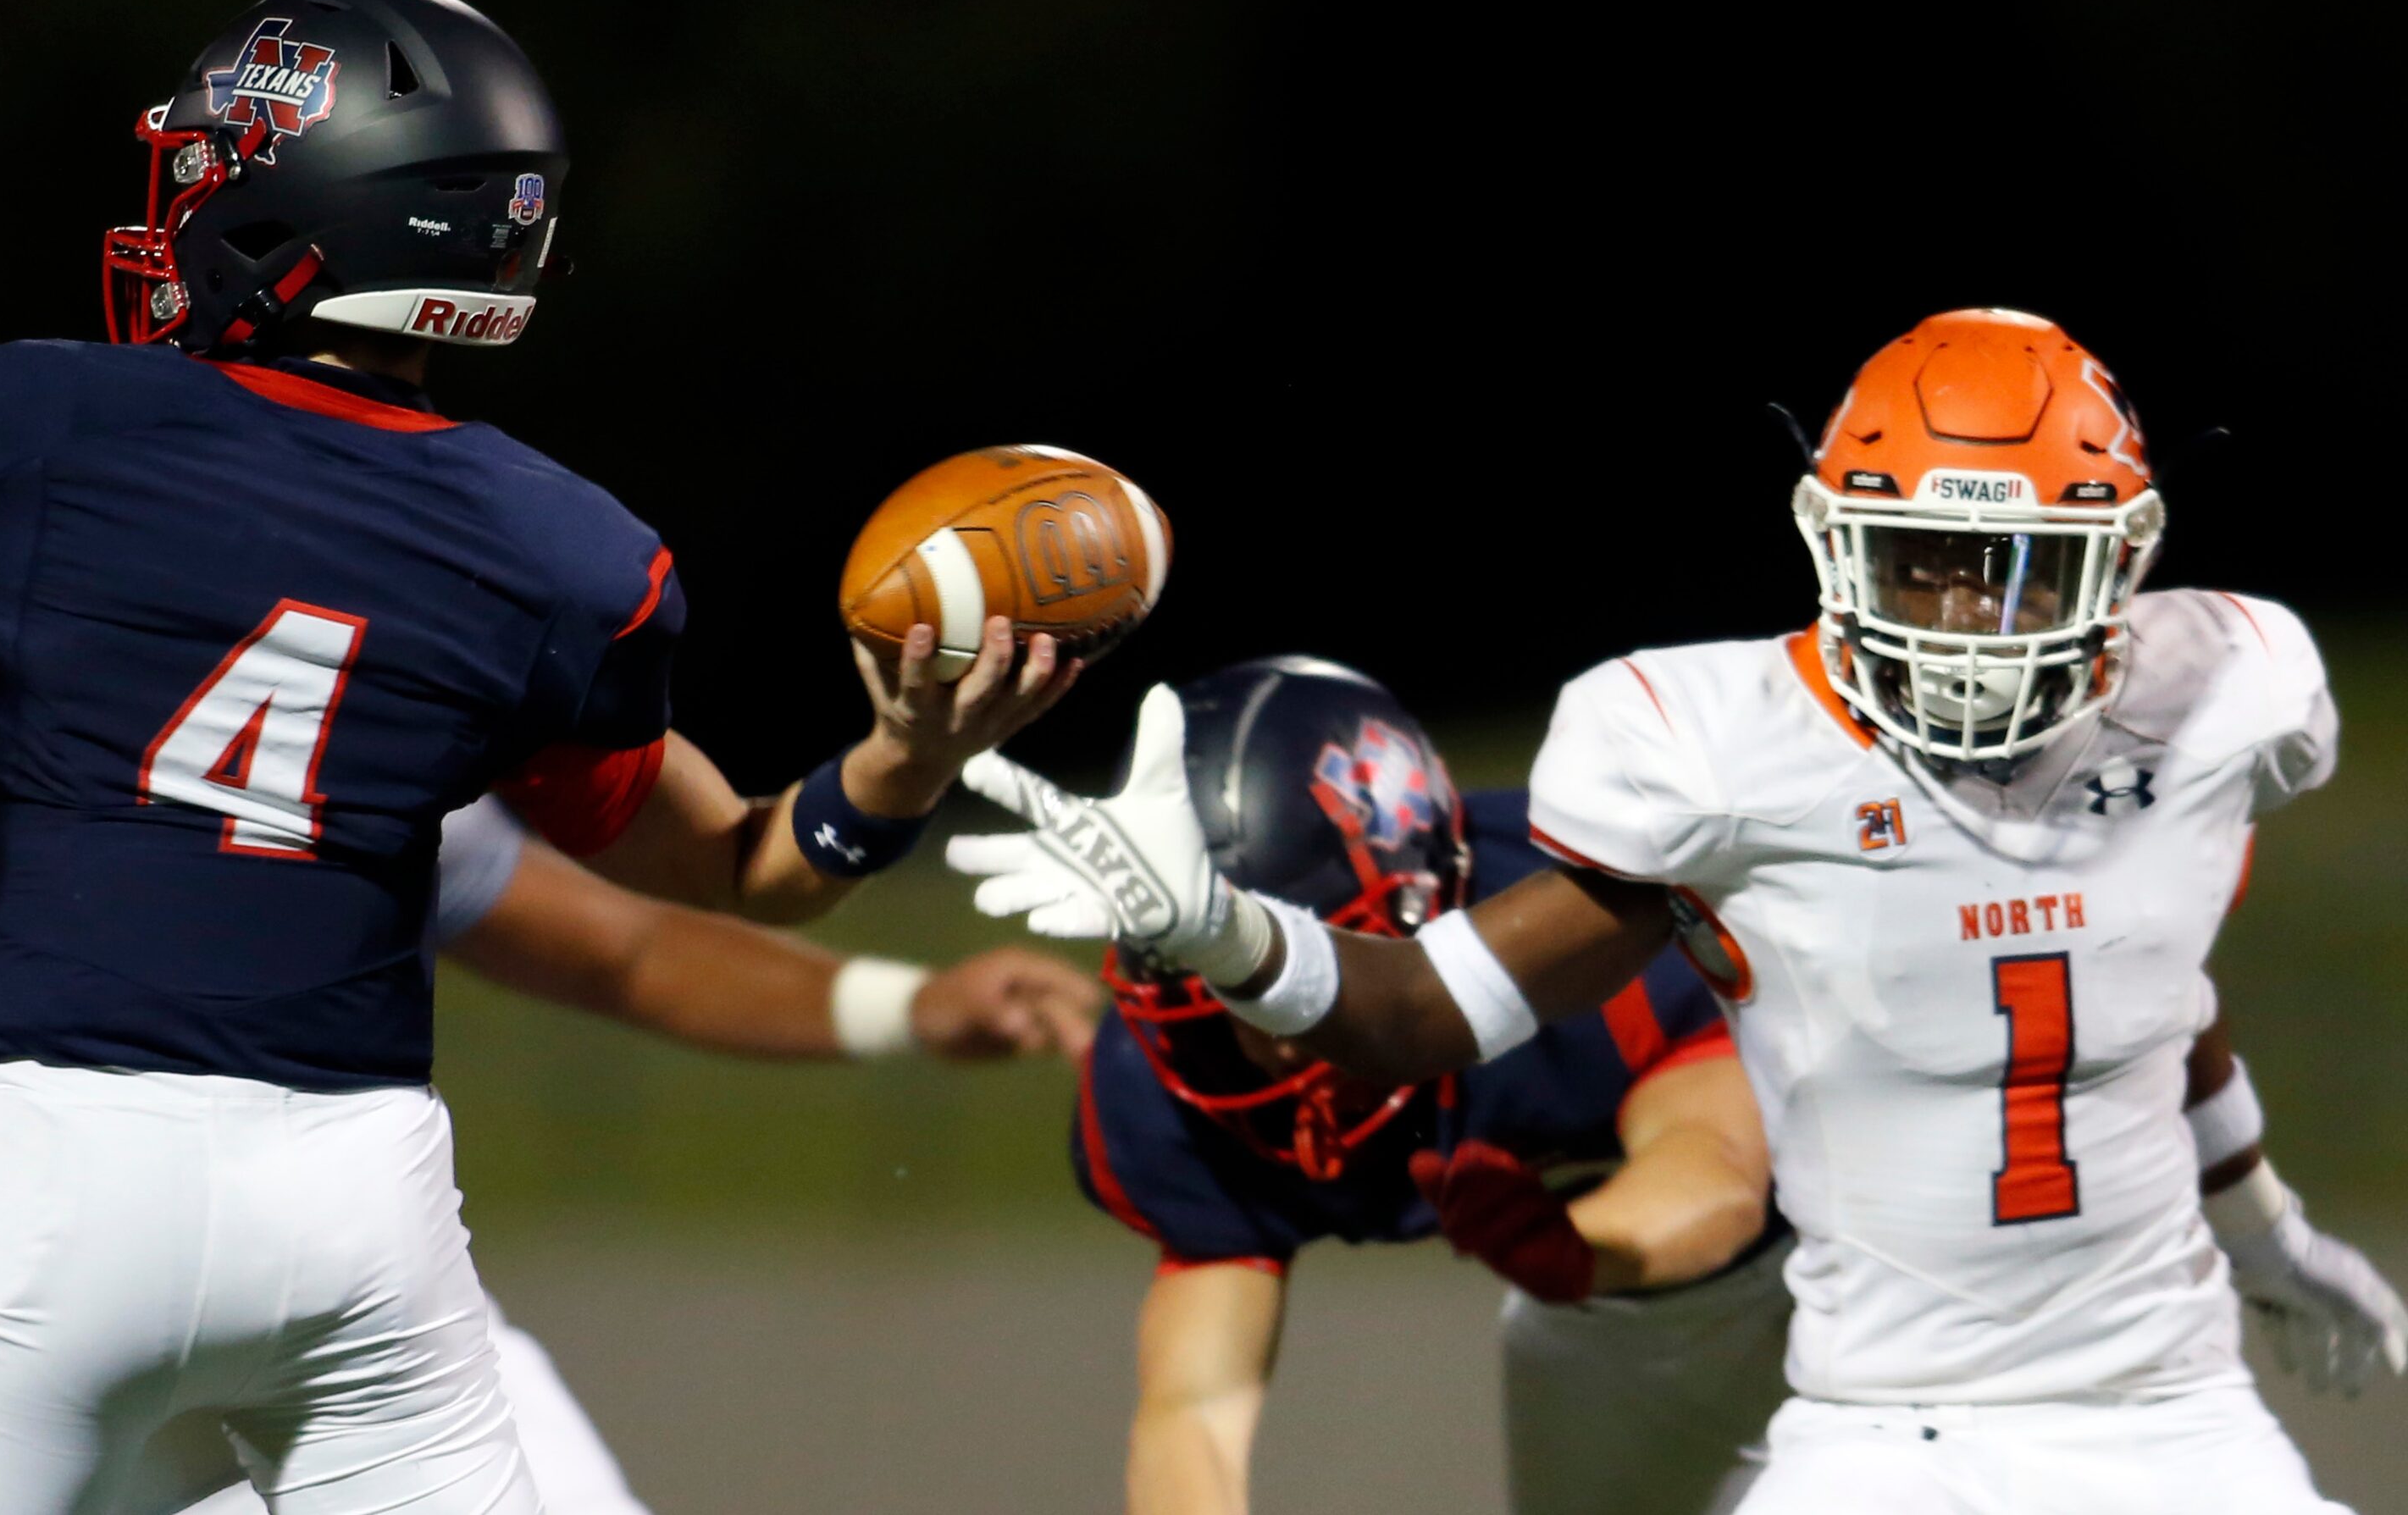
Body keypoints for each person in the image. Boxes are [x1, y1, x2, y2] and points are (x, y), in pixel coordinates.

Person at [0, 0, 1071, 1513]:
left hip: (67, 1185)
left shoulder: (20, 432)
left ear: (304, 211)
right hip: (361, 1216)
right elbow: (744, 866)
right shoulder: (557, 553)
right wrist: (895, 764)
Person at [949, 310, 2408, 1513]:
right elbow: (1411, 1015)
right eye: (1918, 561)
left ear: (2122, 556)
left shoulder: (2221, 695)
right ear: (1834, 542)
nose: (1962, 615)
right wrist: (1213, 927)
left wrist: (2266, 1233)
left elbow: (2151, 1011)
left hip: (2165, 1411)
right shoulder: (1726, 758)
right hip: (1875, 1425)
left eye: (2013, 568)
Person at [1073, 657, 1783, 1515]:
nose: (1271, 1041)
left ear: (1427, 905)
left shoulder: (1578, 911)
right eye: (1216, 986)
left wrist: (1573, 1246)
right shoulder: (1158, 1080)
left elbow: (1718, 1169)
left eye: (1290, 970)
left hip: (1842, 1263)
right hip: (1605, 1333)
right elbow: (1193, 1408)